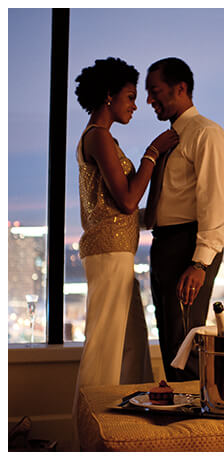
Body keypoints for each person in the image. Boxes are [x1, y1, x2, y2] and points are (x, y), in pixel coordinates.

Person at [73, 57, 179, 402]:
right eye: (131, 96)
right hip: (107, 255)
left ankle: (126, 428)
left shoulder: (106, 139)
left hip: (116, 254)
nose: (136, 105)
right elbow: (127, 201)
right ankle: (89, 437)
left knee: (132, 344)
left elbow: (124, 208)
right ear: (109, 96)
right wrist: (152, 153)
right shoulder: (98, 136)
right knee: (104, 348)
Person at [144, 57, 224, 381]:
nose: (149, 100)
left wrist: (200, 264)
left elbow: (215, 203)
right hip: (165, 243)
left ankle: (198, 429)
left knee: (186, 348)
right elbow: (169, 202)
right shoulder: (170, 140)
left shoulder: (206, 133)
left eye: (155, 91)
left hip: (188, 246)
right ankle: (179, 425)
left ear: (180, 88)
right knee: (170, 345)